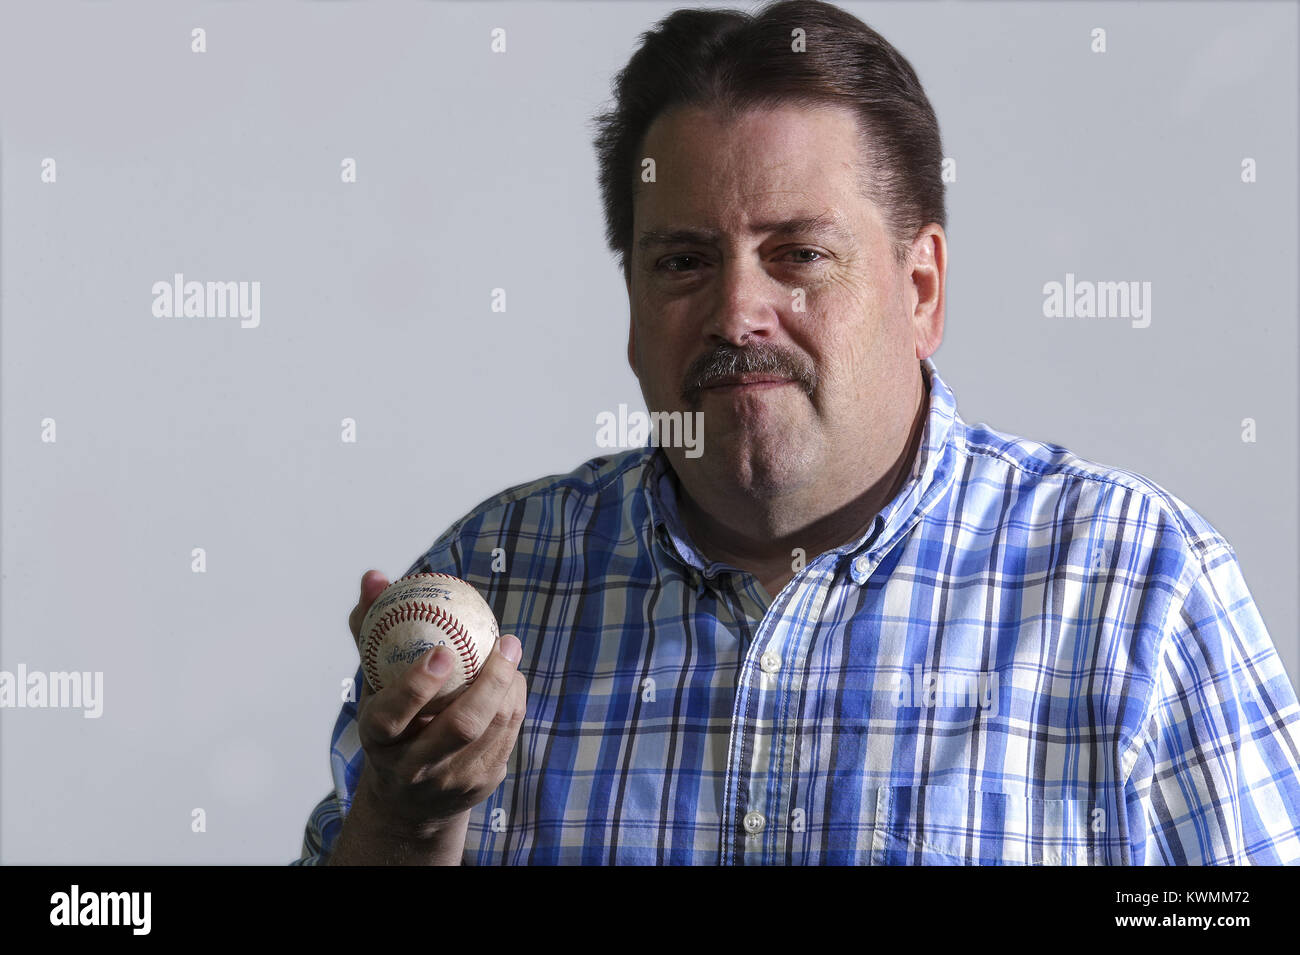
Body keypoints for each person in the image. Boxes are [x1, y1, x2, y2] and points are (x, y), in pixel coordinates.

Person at [294, 0, 1300, 865]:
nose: (737, 312)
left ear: (920, 289)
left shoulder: (1136, 589)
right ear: (632, 299)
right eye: (684, 261)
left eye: (799, 254)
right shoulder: (495, 575)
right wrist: (406, 822)